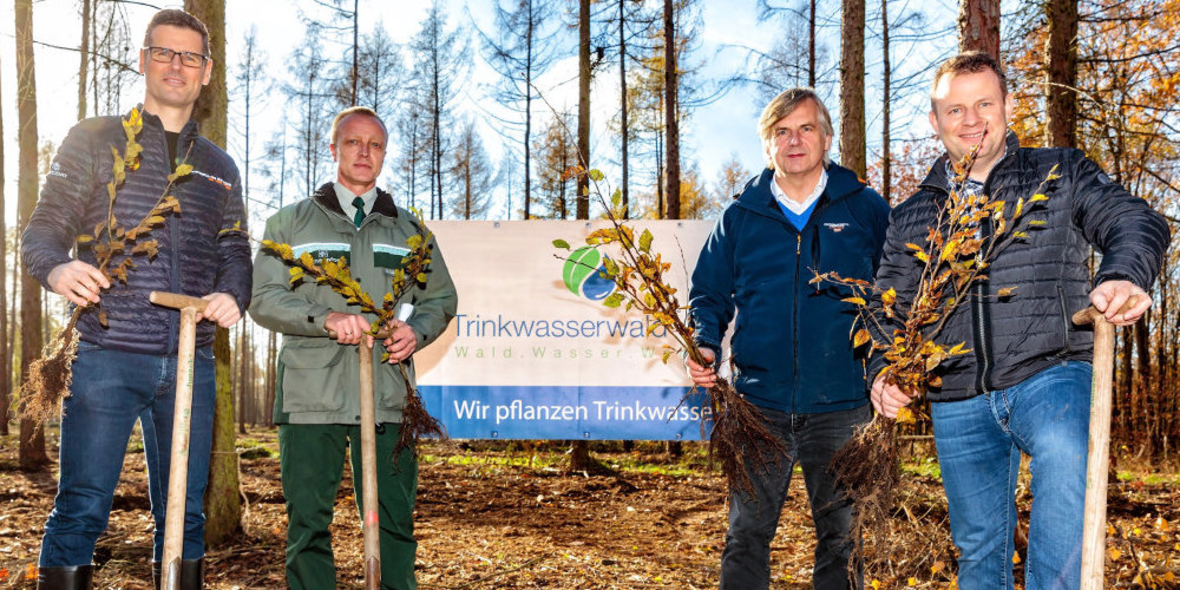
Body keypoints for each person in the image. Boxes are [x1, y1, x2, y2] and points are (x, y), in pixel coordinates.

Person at [870, 51, 1170, 590]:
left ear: (1008, 105)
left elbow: (1133, 219)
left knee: (1067, 459)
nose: (972, 120)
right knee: (980, 546)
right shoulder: (913, 214)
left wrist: (1124, 273)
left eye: (984, 103)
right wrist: (881, 370)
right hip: (957, 394)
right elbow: (887, 304)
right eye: (955, 109)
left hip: (1050, 372)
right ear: (934, 121)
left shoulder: (1060, 172)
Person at [20, 9, 251, 590]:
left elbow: (235, 249)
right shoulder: (96, 140)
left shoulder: (220, 167)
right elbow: (43, 228)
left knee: (185, 516)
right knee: (81, 507)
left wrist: (233, 293)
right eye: (165, 52)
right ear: (144, 60)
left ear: (207, 72)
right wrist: (56, 267)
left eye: (190, 56)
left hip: (191, 361)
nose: (177, 65)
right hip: (107, 351)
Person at [687, 88, 890, 590]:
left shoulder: (865, 208)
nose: (794, 140)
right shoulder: (740, 217)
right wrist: (705, 342)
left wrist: (887, 365)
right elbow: (709, 293)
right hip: (759, 406)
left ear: (826, 138)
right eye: (781, 131)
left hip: (843, 405)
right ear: (768, 145)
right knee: (745, 535)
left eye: (805, 129)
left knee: (843, 540)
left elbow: (894, 295)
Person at [249, 106, 458, 590]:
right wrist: (324, 318)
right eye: (353, 142)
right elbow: (263, 298)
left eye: (375, 145)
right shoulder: (290, 224)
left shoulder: (411, 232)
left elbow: (441, 299)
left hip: (387, 394)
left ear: (384, 154)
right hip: (310, 397)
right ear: (333, 149)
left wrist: (418, 331)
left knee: (394, 525)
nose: (364, 152)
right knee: (307, 526)